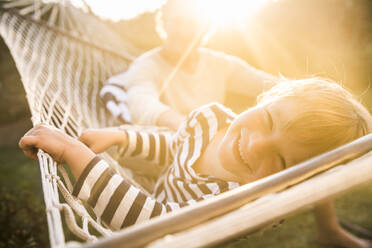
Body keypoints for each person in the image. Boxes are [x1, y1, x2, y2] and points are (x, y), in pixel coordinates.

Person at [19, 79, 372, 248]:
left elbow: (151, 221)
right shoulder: (211, 120)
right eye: (266, 120)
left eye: (281, 161)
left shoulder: (240, 202)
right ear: (264, 98)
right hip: (156, 190)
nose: (256, 144)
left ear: (294, 185)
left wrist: (75, 154)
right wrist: (123, 137)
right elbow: (175, 145)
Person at [101, 0, 279, 130]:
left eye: (193, 24)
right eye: (178, 22)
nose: (184, 31)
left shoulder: (221, 64)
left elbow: (265, 83)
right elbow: (141, 103)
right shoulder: (146, 66)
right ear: (164, 23)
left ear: (204, 30)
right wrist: (188, 127)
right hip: (167, 149)